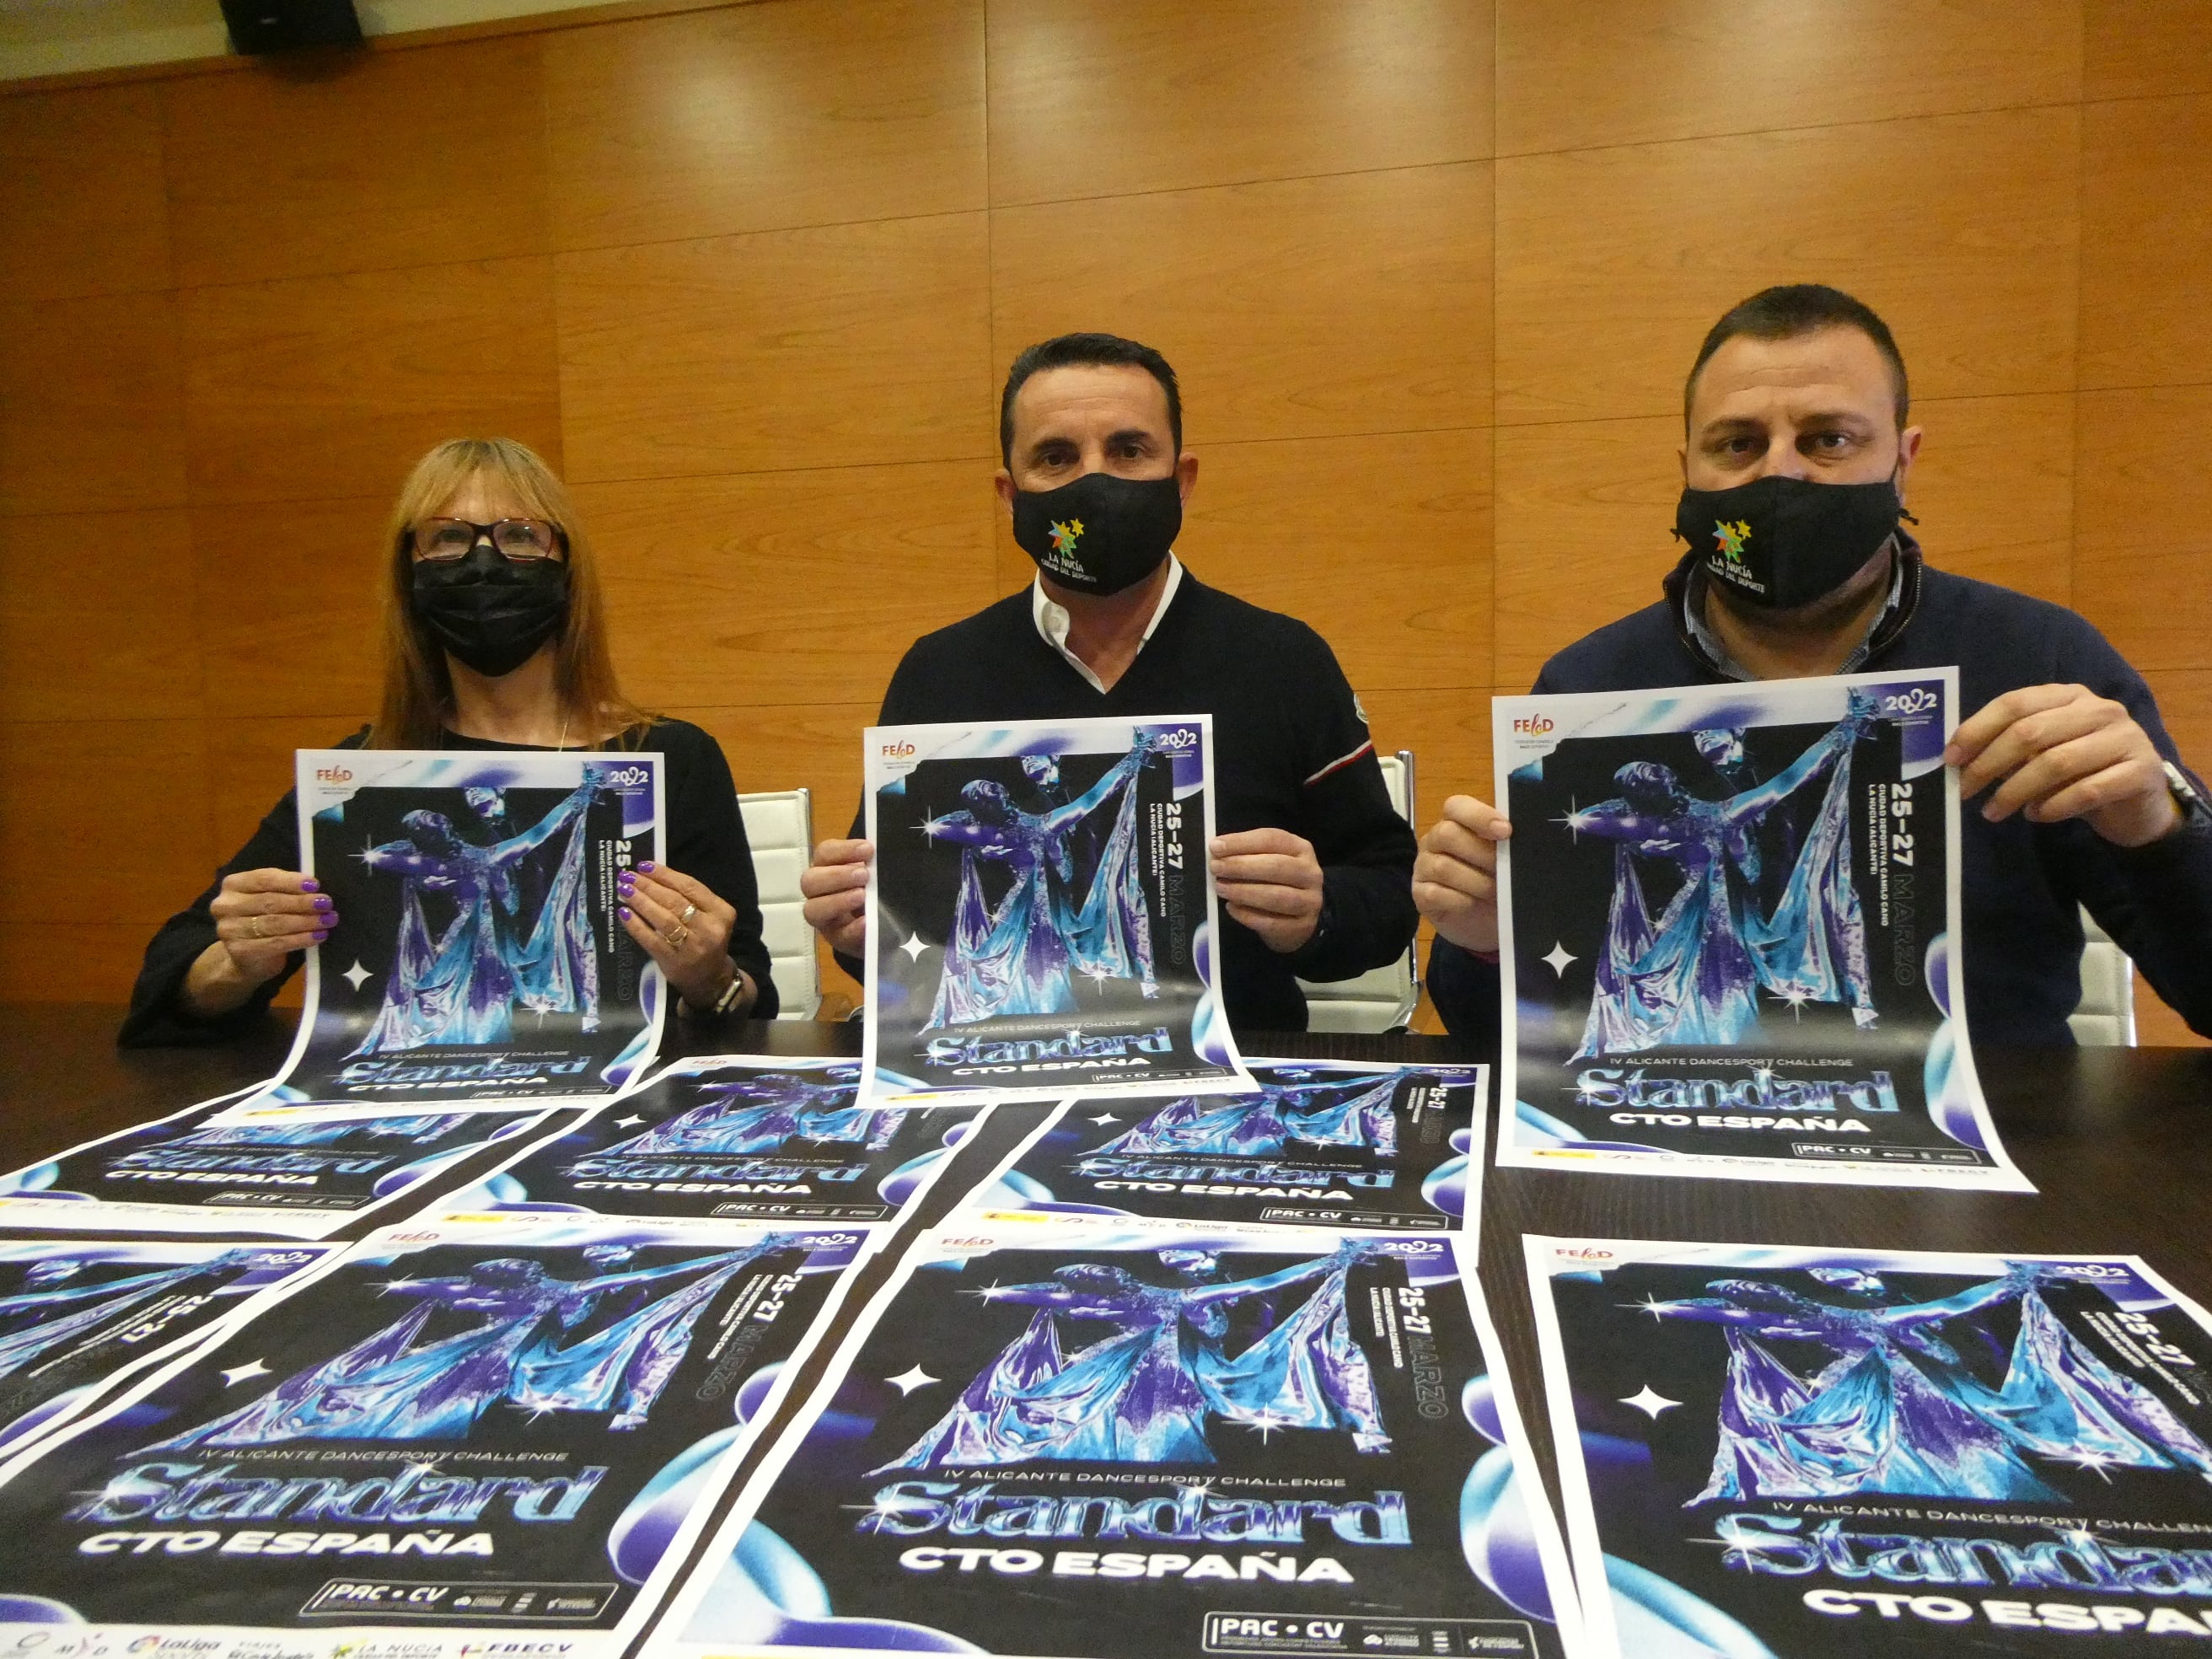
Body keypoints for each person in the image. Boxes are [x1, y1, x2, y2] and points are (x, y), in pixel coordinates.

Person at [1416, 284, 2212, 1048]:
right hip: (1678, 1151)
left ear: (1903, 459)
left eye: (1829, 439)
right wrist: (1486, 941)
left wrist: (2157, 823)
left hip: (1999, 1148)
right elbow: (1511, 1037)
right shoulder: (1592, 688)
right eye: (1739, 444)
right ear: (1686, 466)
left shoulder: (2037, 660)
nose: (1781, 474)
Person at [800, 333, 1418, 1032]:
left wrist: (1318, 913)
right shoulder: (938, 672)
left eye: (1128, 451)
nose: (1095, 483)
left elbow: (1390, 896)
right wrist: (855, 930)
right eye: (1056, 458)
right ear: (1010, 494)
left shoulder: (1284, 660)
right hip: (1004, 1066)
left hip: (1231, 1073)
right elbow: (895, 931)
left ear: (1181, 480)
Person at [121, 437, 776, 1045]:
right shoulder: (362, 775)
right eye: (448, 538)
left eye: (521, 535)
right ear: (408, 574)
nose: (483, 561)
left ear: (568, 568)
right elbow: (170, 984)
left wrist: (709, 977)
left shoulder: (669, 759)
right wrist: (240, 961)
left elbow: (747, 1000)